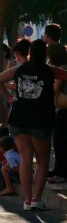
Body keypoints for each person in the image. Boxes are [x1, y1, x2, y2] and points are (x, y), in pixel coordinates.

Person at [0, 39, 67, 210]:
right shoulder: (49, 70)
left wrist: (11, 99)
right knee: (42, 161)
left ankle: (26, 200)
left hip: (18, 119)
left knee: (26, 158)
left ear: (29, 53)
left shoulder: (20, 69)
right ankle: (36, 199)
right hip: (40, 120)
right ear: (45, 54)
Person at [47, 43, 67, 184]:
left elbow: (54, 89)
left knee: (60, 141)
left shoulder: (61, 69)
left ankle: (60, 173)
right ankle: (59, 170)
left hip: (64, 109)